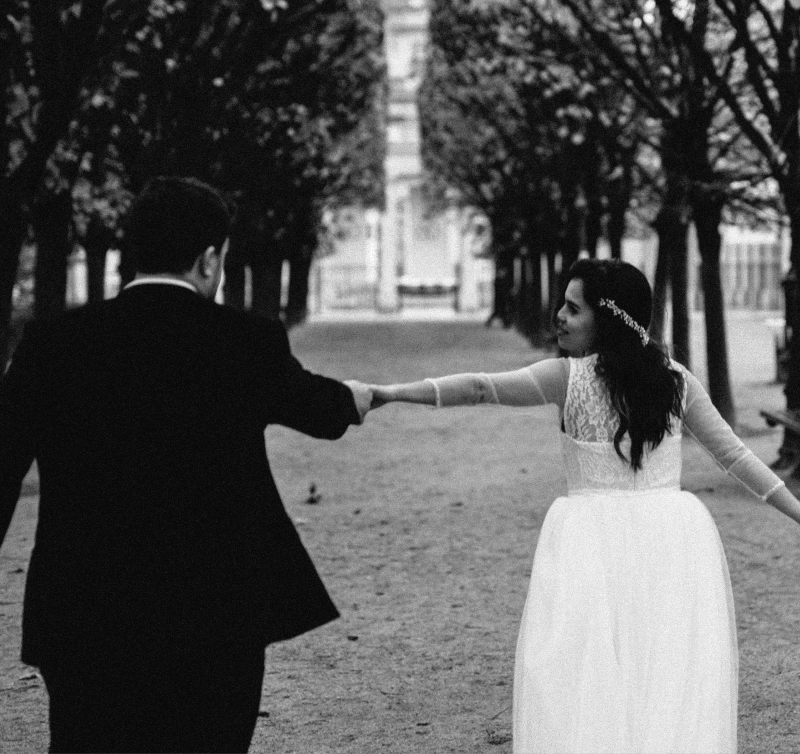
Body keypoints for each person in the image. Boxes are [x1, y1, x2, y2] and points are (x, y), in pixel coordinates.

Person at [366, 258, 800, 754]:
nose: (559, 316)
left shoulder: (565, 378)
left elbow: (482, 387)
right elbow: (736, 457)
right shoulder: (675, 381)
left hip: (590, 545)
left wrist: (390, 394)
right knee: (660, 677)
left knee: (582, 677)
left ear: (608, 318)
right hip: (671, 541)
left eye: (573, 309)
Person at [0, 176, 372, 754]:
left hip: (82, 614)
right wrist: (354, 397)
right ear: (207, 259)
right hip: (215, 614)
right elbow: (319, 410)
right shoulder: (244, 340)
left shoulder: (51, 343)